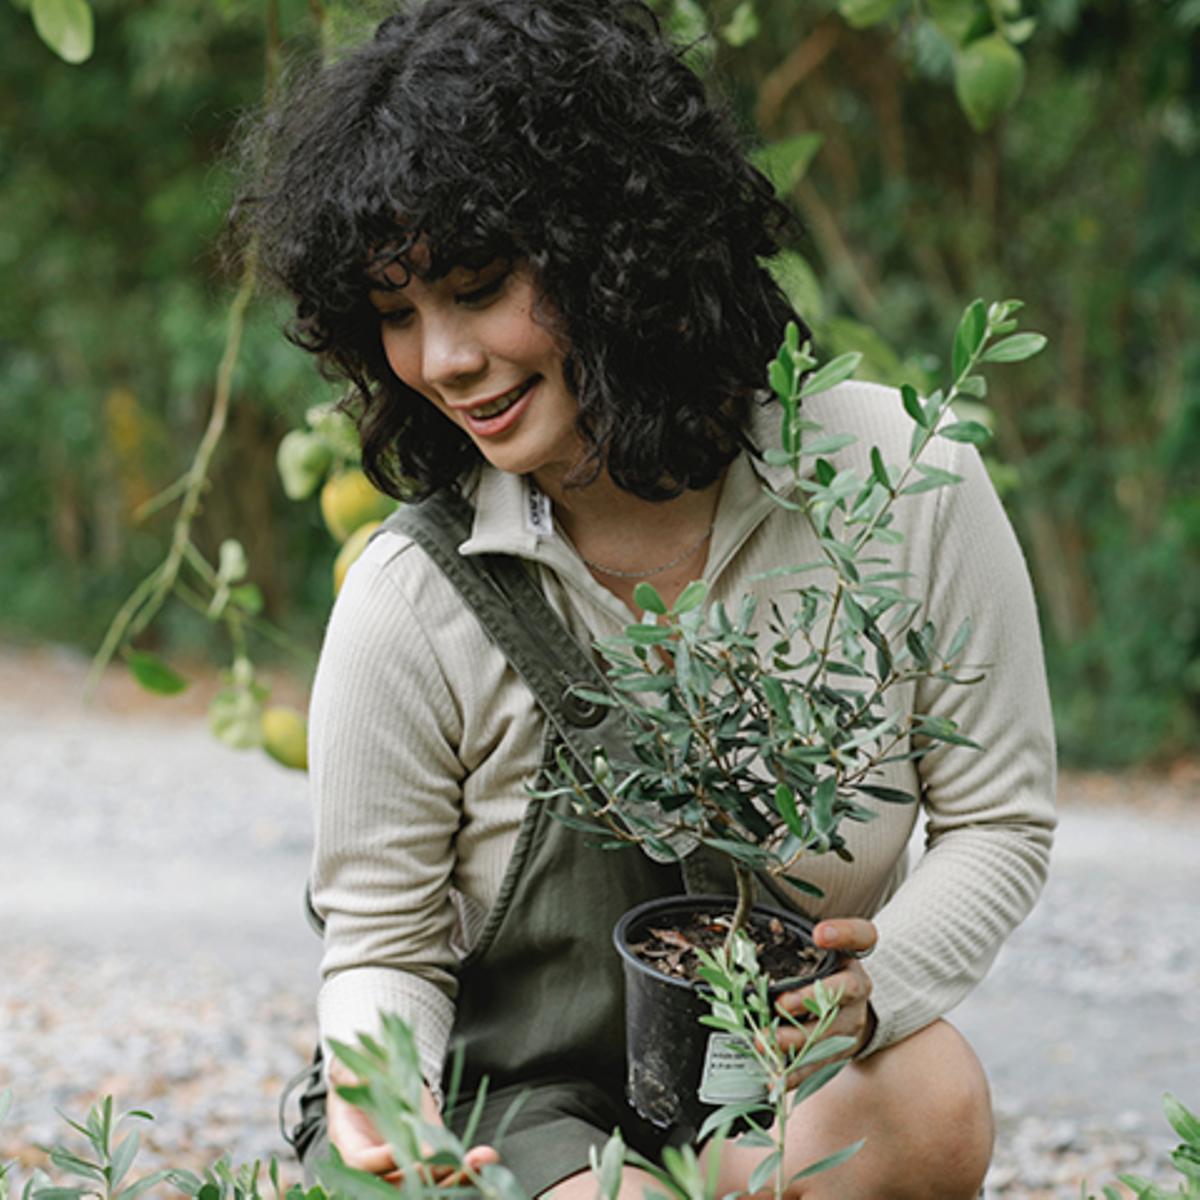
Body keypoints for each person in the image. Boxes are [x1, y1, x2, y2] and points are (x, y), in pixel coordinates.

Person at [245, 1, 1056, 1196]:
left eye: (476, 288)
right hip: (495, 1110)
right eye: (397, 316)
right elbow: (384, 947)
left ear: (620, 250)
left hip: (757, 1085)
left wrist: (873, 991)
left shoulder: (899, 483)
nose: (443, 361)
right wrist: (383, 1109)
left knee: (930, 1099)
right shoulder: (411, 594)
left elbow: (999, 820)